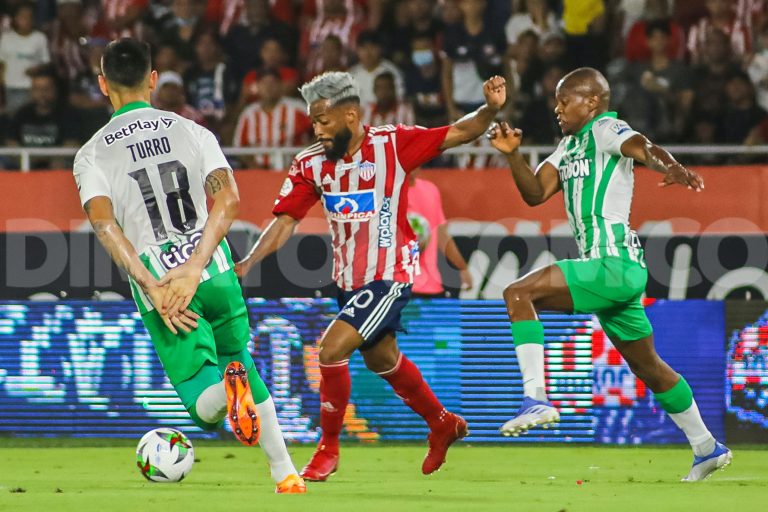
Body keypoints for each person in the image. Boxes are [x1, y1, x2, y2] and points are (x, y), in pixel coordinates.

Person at [236, 71, 507, 481]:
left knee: (330, 350)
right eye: (313, 122)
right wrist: (248, 262)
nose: (317, 130)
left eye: (324, 121)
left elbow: (459, 132)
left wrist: (490, 108)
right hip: (347, 281)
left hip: (390, 273)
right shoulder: (311, 163)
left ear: (350, 115)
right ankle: (442, 422)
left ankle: (327, 449)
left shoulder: (393, 144)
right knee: (383, 358)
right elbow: (286, 220)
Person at [72, 39, 306, 494]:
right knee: (243, 364)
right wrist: (198, 266)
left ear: (103, 85)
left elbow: (104, 226)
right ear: (153, 79)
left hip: (162, 283)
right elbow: (230, 199)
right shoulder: (192, 131)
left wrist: (154, 287)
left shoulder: (92, 154)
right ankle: (286, 474)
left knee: (203, 404)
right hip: (213, 272)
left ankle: (229, 391)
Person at [486, 67, 731, 482]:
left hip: (611, 262)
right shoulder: (567, 147)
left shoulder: (604, 127)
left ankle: (536, 398)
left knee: (517, 294)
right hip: (619, 272)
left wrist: (668, 165)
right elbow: (533, 194)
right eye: (557, 102)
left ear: (593, 101)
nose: (558, 108)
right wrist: (512, 155)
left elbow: (642, 145)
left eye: (566, 101)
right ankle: (707, 447)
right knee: (649, 367)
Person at [407, 169, 472, 297]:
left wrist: (462, 268)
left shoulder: (431, 190)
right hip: (398, 288)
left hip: (431, 287)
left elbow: (442, 236)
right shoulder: (389, 194)